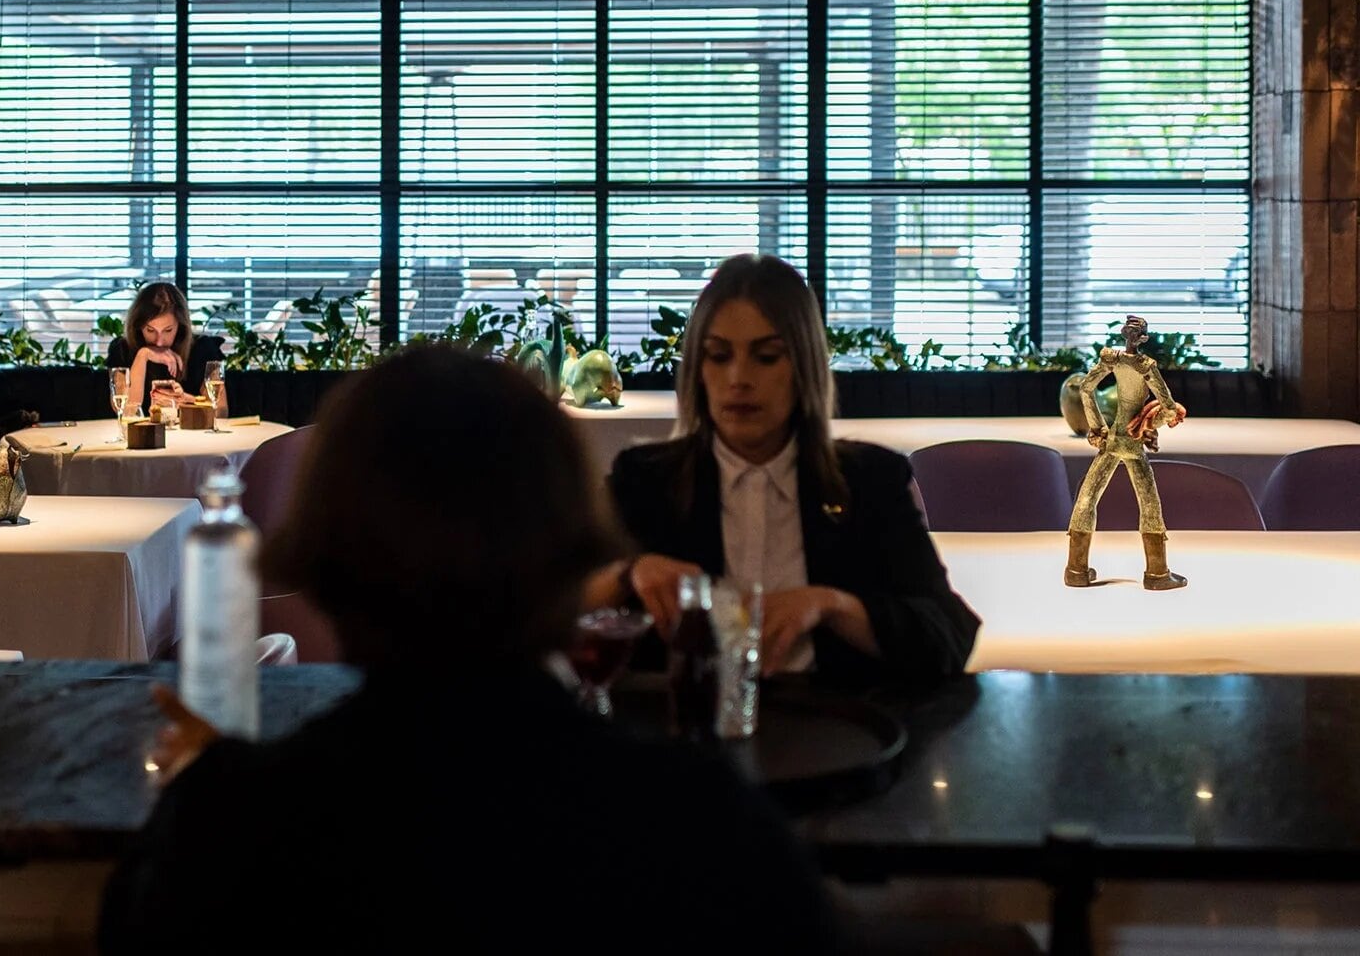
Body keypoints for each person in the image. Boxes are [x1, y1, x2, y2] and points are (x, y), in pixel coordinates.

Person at [98, 346, 845, 954]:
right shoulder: (708, 830)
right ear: (567, 557)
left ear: (327, 559)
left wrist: (212, 785)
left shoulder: (225, 831)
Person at [592, 253, 980, 685]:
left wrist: (833, 606)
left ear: (803, 368)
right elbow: (548, 608)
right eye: (719, 356)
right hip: (685, 736)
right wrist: (628, 574)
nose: (739, 378)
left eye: (767, 357)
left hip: (837, 729)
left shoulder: (870, 480)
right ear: (698, 371)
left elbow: (950, 637)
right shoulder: (646, 480)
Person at [1064, 314, 1189, 591]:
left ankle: (1076, 569)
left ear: (1124, 335)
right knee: (1149, 504)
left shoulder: (1112, 358)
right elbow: (1167, 406)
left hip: (1112, 439)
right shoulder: (1145, 366)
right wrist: (1156, 418)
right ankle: (1157, 573)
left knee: (1088, 496)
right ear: (1142, 338)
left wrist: (1098, 428)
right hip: (1132, 443)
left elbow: (1086, 388)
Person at [104, 281, 225, 418]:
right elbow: (127, 412)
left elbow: (221, 411)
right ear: (138, 326)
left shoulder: (201, 348)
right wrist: (143, 356)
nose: (159, 342)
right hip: (141, 437)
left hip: (193, 435)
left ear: (180, 325)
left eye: (168, 330)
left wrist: (187, 400)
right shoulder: (122, 349)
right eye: (150, 330)